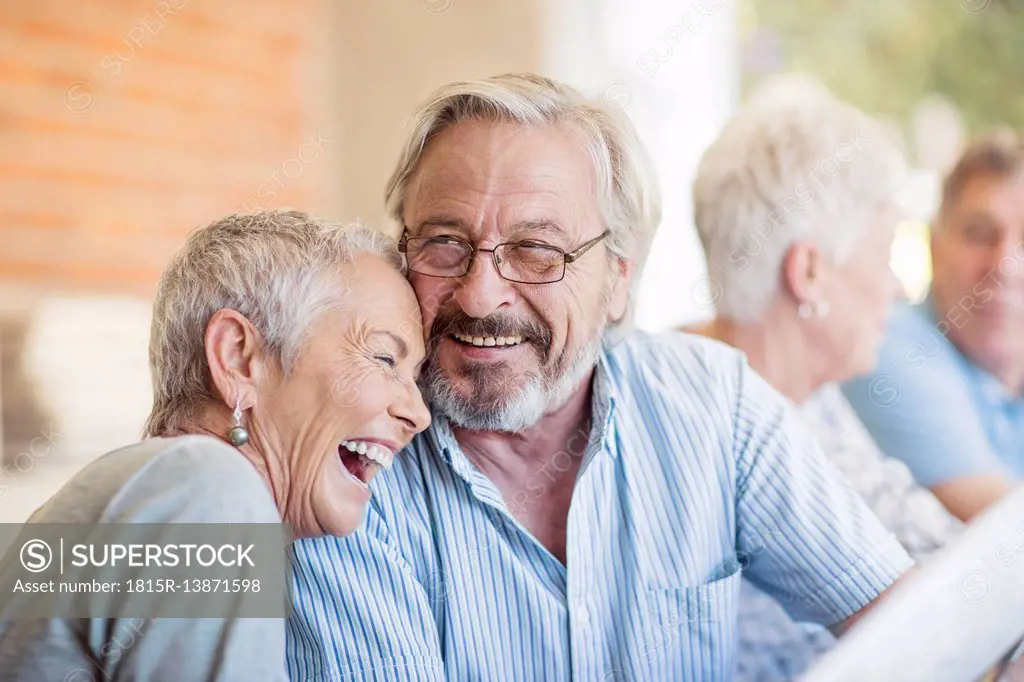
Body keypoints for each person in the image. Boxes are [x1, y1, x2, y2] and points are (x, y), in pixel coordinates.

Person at [286, 73, 915, 682]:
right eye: (446, 243)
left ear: (617, 278)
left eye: (537, 250)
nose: (480, 296)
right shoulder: (345, 462)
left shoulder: (716, 405)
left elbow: (909, 627)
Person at [0, 210, 431, 681]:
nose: (419, 413)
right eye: (385, 358)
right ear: (238, 358)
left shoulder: (176, 492)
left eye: (414, 378)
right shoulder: (208, 486)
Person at [689, 78, 963, 681]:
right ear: (809, 271)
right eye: (885, 255)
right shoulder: (711, 432)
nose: (898, 288)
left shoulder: (809, 395)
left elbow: (933, 543)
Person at [844, 130, 1024, 522]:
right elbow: (1007, 527)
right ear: (933, 245)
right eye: (979, 234)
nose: (1005, 267)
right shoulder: (886, 345)